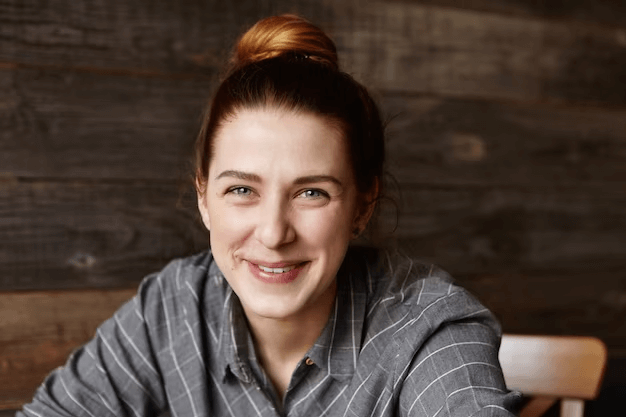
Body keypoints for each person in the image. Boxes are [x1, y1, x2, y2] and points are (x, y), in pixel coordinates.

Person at [18, 14, 521, 417]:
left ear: (362, 206)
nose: (274, 233)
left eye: (311, 193)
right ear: (203, 199)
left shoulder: (427, 330)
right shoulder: (173, 308)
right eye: (241, 189)